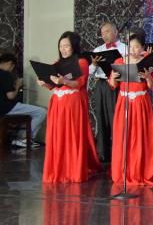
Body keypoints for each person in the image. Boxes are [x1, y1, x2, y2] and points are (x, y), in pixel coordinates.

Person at [39, 32, 101, 183]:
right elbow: (52, 85)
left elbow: (79, 83)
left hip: (73, 102)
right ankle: (58, 169)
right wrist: (44, 83)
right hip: (58, 103)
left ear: (74, 46)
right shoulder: (56, 63)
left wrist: (64, 81)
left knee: (72, 134)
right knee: (58, 135)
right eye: (61, 46)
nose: (63, 49)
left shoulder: (81, 62)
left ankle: (73, 169)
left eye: (66, 46)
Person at [108, 33, 153, 187]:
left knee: (140, 136)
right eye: (130, 46)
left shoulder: (148, 61)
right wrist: (113, 76)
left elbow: (152, 86)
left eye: (137, 47)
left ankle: (140, 171)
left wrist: (148, 76)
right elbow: (113, 85)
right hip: (123, 102)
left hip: (140, 102)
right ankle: (123, 172)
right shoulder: (119, 61)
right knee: (123, 136)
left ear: (143, 48)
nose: (133, 50)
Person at [87, 20, 126, 163]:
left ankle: (118, 153)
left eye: (107, 32)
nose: (104, 35)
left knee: (115, 118)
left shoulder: (125, 49)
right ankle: (103, 154)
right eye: (102, 33)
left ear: (116, 32)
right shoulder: (98, 49)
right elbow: (90, 72)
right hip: (100, 84)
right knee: (100, 118)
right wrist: (94, 64)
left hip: (116, 85)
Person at [0, 52, 46, 146]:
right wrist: (17, 85)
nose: (11, 70)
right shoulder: (5, 74)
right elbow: (11, 96)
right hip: (5, 108)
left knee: (25, 114)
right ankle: (25, 139)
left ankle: (19, 138)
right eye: (13, 67)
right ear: (10, 63)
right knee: (41, 112)